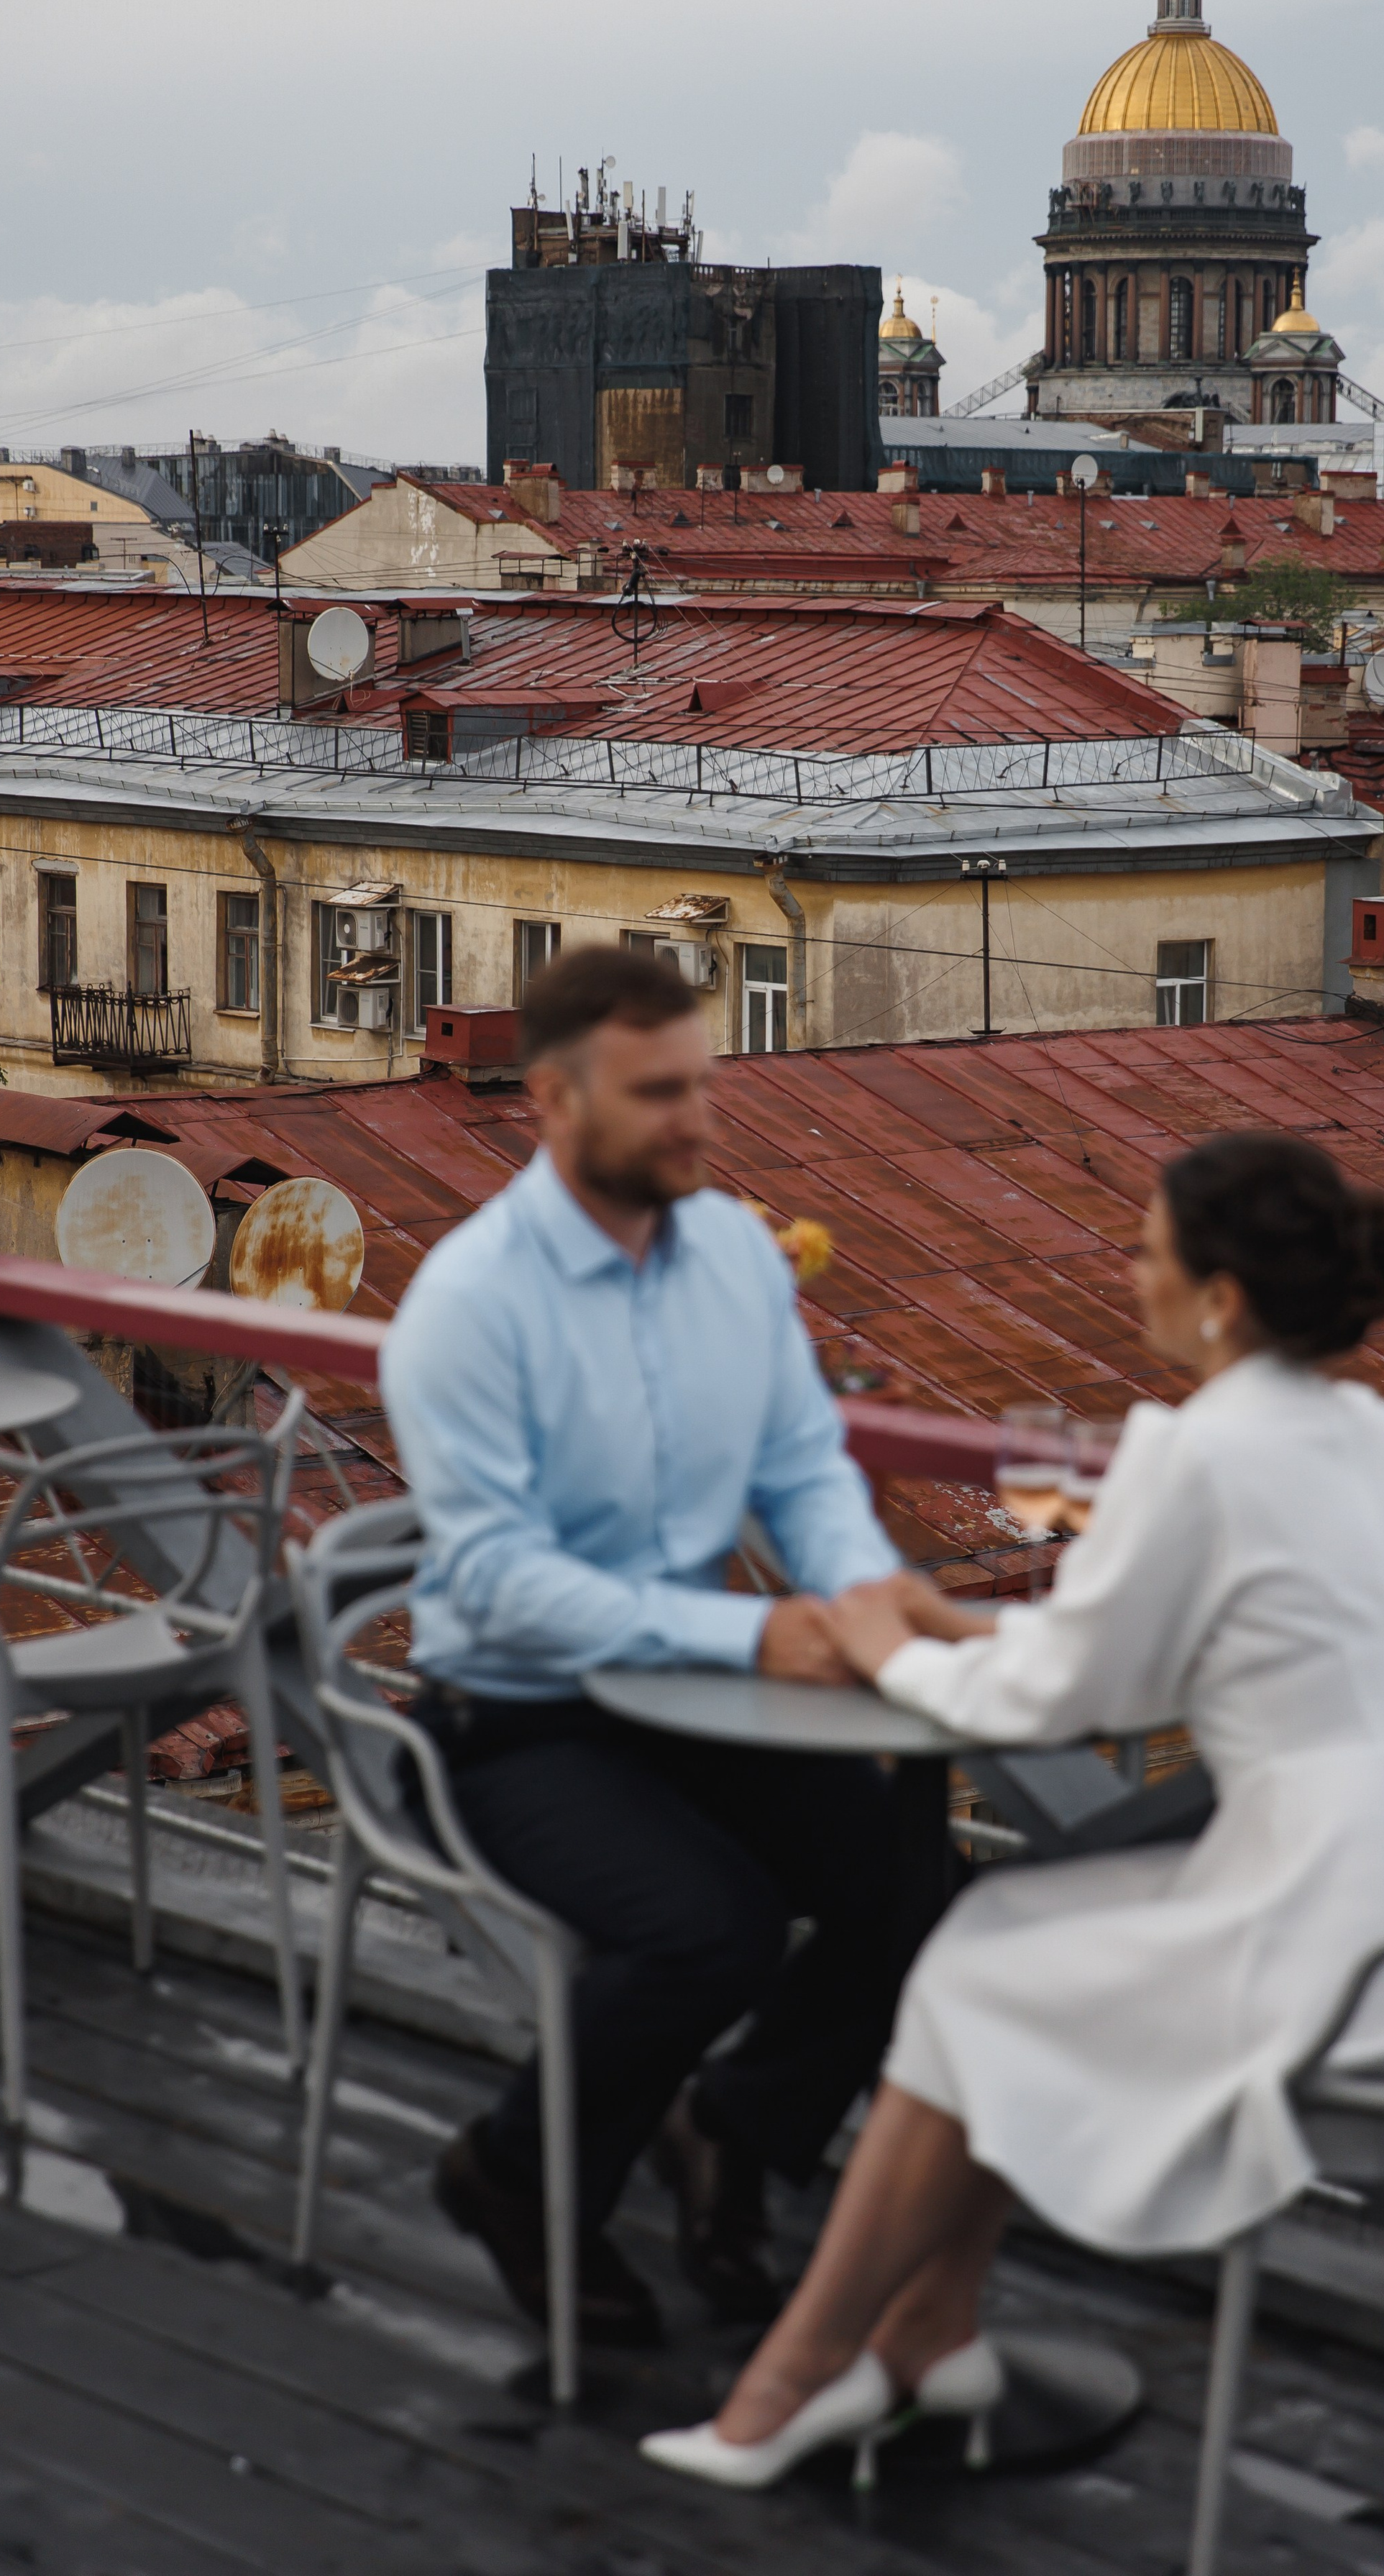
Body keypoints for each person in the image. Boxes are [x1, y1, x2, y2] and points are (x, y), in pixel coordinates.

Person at [641, 1131, 1384, 2487]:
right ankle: (921, 2337)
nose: (1131, 1278)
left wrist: (887, 1643)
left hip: (1331, 1920)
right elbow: (1146, 1660)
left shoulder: (1196, 1453)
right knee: (984, 1945)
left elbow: (1058, 1700)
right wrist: (949, 1627)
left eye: (1147, 1254)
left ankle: (801, 2378)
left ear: (1220, 1296)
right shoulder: (1358, 1432)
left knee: (975, 1966)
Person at [380, 946, 942, 2347]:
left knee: (906, 1887)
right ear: (554, 1101)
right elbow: (503, 1586)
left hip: (686, 1685)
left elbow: (801, 1470)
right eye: (658, 1094)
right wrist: (759, 1632)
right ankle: (508, 2177)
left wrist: (862, 1599)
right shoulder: (468, 1304)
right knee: (712, 1931)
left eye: (701, 1084)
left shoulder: (737, 1261)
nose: (698, 1120)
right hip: (512, 1714)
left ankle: (732, 2130)